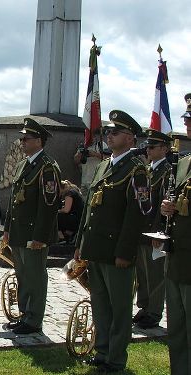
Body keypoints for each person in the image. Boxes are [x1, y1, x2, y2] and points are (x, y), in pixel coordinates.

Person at [74, 110, 150, 372]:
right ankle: (102, 352)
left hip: (117, 251)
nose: (108, 135)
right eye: (108, 131)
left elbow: (137, 214)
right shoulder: (105, 165)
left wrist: (125, 252)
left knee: (119, 311)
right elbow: (89, 209)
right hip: (96, 248)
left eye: (114, 132)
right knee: (101, 307)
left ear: (130, 139)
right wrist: (80, 244)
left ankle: (116, 359)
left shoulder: (136, 170)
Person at [2, 118, 61, 335]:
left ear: (39, 141)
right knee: (23, 276)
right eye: (22, 138)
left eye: (26, 138)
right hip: (18, 231)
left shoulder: (47, 167)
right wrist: (7, 228)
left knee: (35, 277)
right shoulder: (22, 165)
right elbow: (13, 200)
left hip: (34, 234)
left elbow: (49, 206)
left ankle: (34, 320)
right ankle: (25, 314)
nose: (22, 142)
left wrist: (40, 236)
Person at [161, 93, 191, 375]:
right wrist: (168, 207)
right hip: (176, 255)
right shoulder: (183, 162)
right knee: (178, 326)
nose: (189, 125)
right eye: (187, 120)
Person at [133, 129, 172, 330]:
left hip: (154, 232)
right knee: (142, 273)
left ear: (164, 149)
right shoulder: (147, 170)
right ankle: (144, 307)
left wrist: (159, 232)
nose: (147, 150)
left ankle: (154, 312)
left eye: (152, 146)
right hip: (141, 231)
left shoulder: (167, 171)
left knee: (155, 274)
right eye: (147, 146)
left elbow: (162, 204)